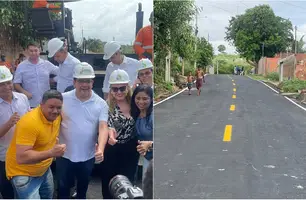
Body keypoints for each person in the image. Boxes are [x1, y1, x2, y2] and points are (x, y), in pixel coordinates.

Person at [56, 62, 109, 199]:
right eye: (81, 81)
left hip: (87, 155)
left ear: (93, 82)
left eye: (88, 81)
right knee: (62, 189)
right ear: (74, 82)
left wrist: (101, 149)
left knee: (82, 190)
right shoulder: (62, 99)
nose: (84, 84)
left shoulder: (101, 104)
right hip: (64, 154)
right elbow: (51, 120)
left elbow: (103, 127)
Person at [5, 90, 65, 199]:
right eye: (51, 107)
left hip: (44, 170)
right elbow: (22, 158)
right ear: (41, 105)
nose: (55, 111)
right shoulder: (30, 122)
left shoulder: (56, 117)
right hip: (23, 174)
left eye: (59, 108)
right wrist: (51, 153)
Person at [99, 69, 139, 199]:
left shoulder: (136, 104)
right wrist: (109, 133)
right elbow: (103, 125)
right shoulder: (106, 105)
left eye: (122, 88)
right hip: (111, 149)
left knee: (127, 184)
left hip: (130, 150)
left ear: (127, 87)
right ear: (110, 90)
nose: (119, 92)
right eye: (115, 89)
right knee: (109, 182)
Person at [0, 66, 30, 199]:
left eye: (8, 82)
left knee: (25, 191)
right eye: (2, 84)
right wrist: (9, 123)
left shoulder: (22, 98)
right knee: (8, 192)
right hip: (4, 157)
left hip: (23, 153)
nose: (7, 87)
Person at [13, 42, 59, 108]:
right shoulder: (21, 66)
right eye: (31, 51)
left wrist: (53, 79)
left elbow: (60, 72)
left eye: (36, 50)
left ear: (39, 51)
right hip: (30, 103)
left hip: (46, 102)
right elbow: (16, 84)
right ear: (27, 51)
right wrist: (24, 92)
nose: (33, 53)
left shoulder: (46, 64)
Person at [131, 84, 153, 180]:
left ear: (151, 99)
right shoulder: (135, 114)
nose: (141, 102)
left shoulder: (152, 117)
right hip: (147, 158)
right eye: (138, 98)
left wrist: (150, 144)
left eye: (145, 99)